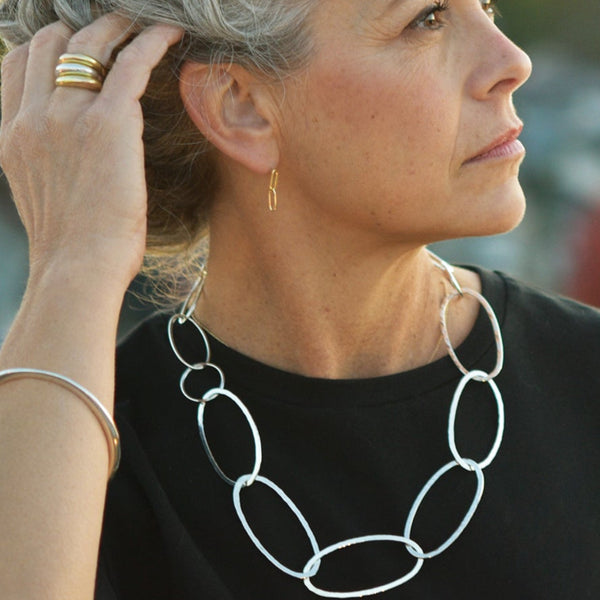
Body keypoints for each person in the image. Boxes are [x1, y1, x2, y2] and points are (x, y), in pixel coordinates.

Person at [0, 1, 598, 598]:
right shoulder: (69, 454)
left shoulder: (584, 380)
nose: (512, 61)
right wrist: (71, 262)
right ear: (240, 106)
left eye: (486, 4)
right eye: (428, 18)